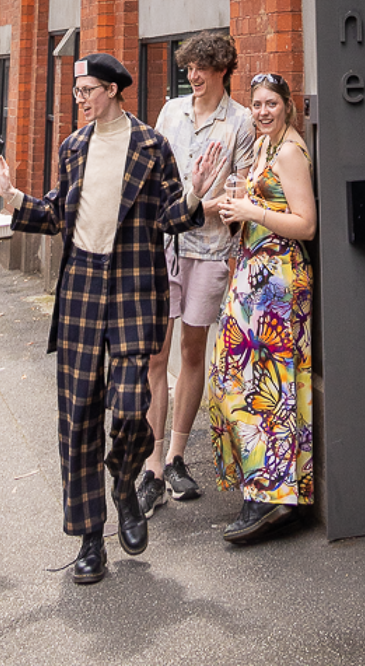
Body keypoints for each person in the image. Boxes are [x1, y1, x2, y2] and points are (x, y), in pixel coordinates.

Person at [0, 52, 224, 586]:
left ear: (115, 90)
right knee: (76, 419)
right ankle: (91, 539)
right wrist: (11, 197)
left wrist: (194, 194)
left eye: (90, 90)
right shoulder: (72, 147)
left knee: (130, 407)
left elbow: (170, 215)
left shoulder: (149, 144)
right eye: (77, 92)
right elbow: (55, 213)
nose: (81, 99)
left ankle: (124, 483)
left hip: (132, 289)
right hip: (80, 288)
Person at [138, 30, 255, 515]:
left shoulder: (241, 122)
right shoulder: (170, 112)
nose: (194, 76)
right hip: (165, 248)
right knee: (154, 356)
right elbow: (152, 176)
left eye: (203, 68)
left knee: (191, 351)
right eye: (189, 68)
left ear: (222, 69)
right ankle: (151, 466)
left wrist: (200, 205)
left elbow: (241, 194)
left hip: (209, 251)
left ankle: (178, 454)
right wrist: (186, 204)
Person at [207, 71, 316, 545]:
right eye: (256, 104)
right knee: (234, 381)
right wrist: (229, 206)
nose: (263, 111)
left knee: (269, 391)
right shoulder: (263, 147)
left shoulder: (290, 152)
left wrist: (252, 212)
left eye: (271, 103)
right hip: (251, 278)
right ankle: (262, 487)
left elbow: (306, 224)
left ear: (287, 106)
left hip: (278, 284)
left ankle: (275, 497)